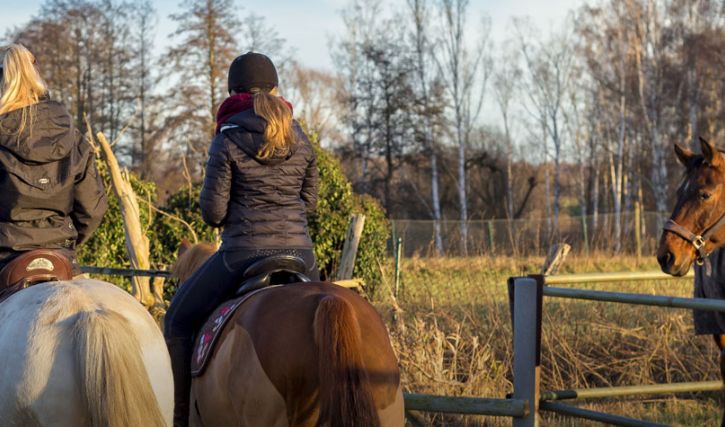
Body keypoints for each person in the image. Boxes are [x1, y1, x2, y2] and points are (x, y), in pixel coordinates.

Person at [164, 51, 319, 426]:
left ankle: (179, 418)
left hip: (243, 254)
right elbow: (309, 204)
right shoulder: (300, 137)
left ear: (233, 91)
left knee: (177, 322)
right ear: (275, 90)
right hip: (301, 254)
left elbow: (213, 213)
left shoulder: (227, 138)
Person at [0, 44, 107, 275]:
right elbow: (92, 209)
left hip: (5, 256)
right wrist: (66, 242)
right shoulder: (74, 138)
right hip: (60, 255)